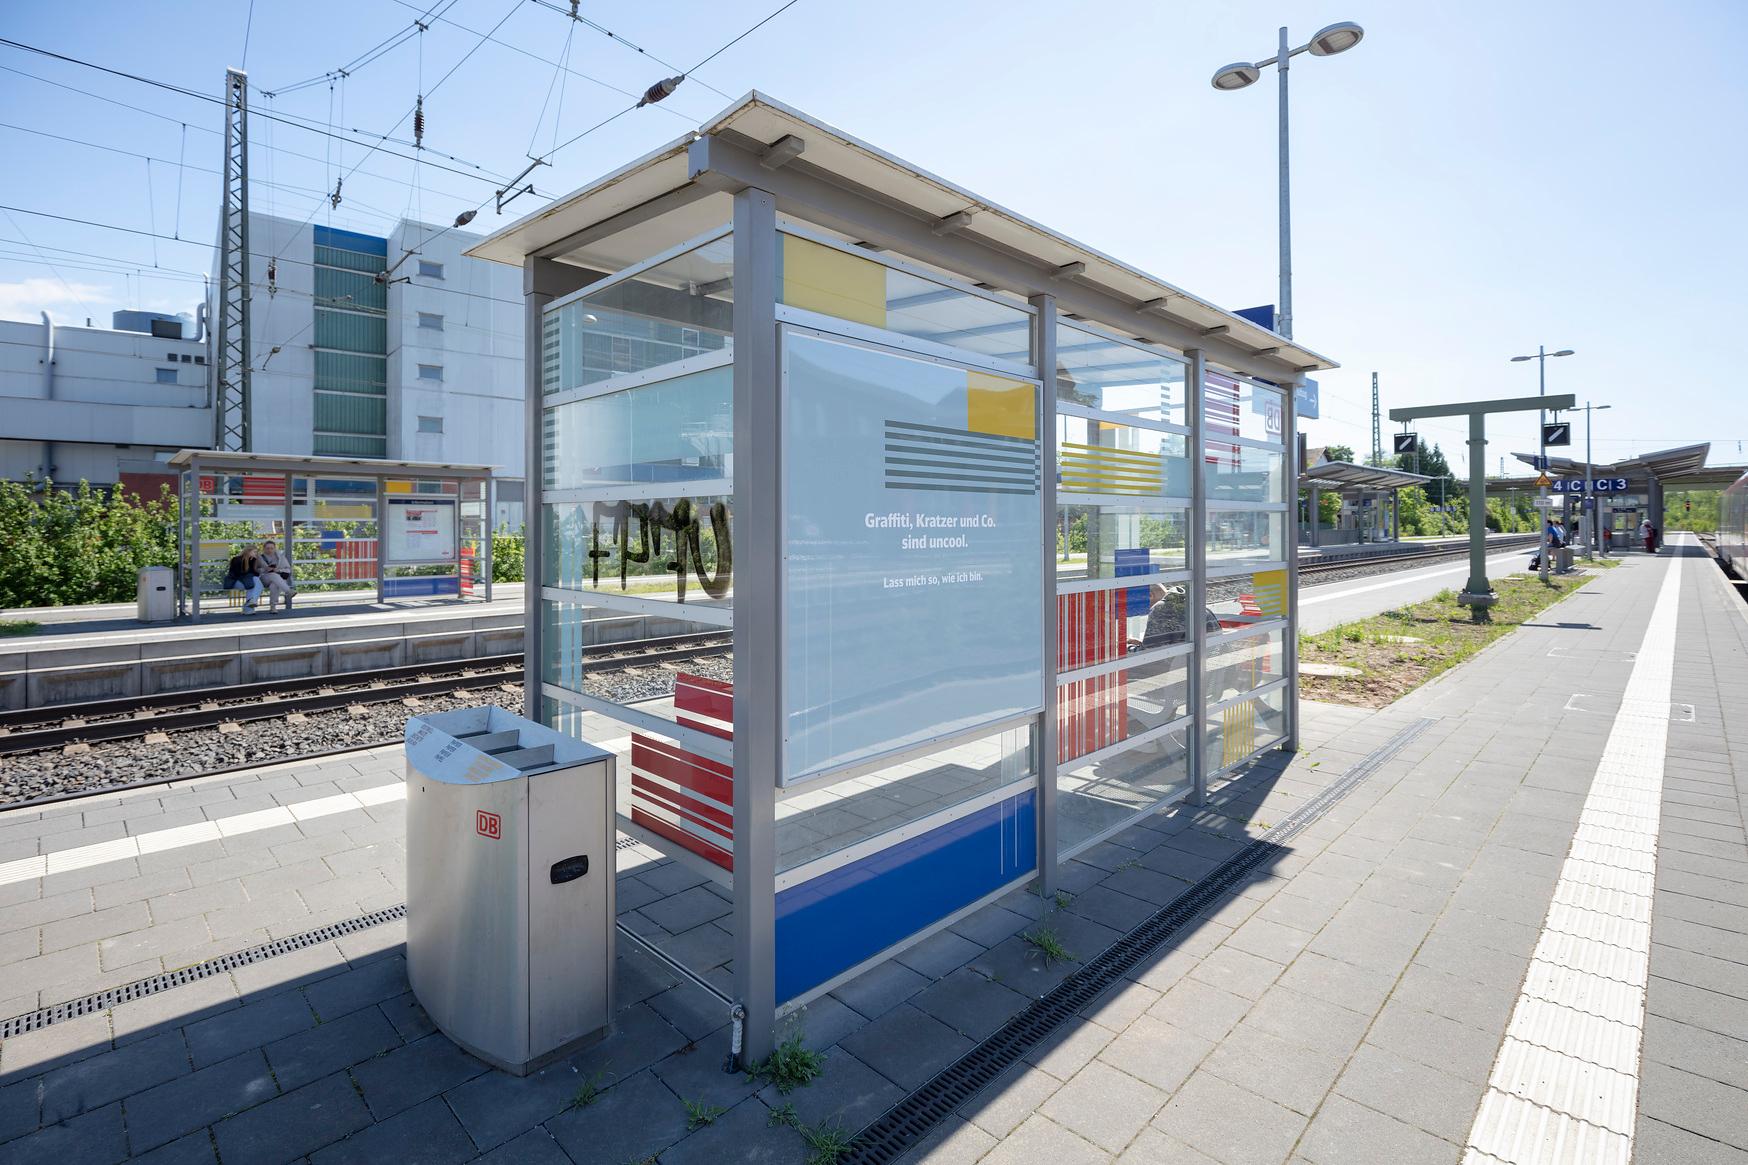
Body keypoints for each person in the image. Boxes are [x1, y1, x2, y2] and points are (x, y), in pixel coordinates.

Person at [257, 539, 296, 612]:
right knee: (273, 575)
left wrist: (278, 570)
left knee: (274, 585)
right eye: (267, 548)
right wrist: (265, 569)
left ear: (275, 548)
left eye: (272, 548)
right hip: (264, 578)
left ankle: (273, 607)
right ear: (264, 549)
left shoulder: (280, 558)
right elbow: (256, 570)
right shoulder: (259, 557)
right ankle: (288, 591)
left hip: (278, 579)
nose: (270, 550)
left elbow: (287, 569)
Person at [222, 547, 263, 613]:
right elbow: (239, 573)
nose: (256, 554)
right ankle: (250, 604)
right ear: (248, 551)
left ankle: (249, 608)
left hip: (246, 582)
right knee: (255, 584)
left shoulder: (252, 560)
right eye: (254, 552)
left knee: (254, 583)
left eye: (256, 552)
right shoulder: (236, 559)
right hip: (235, 582)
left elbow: (254, 574)